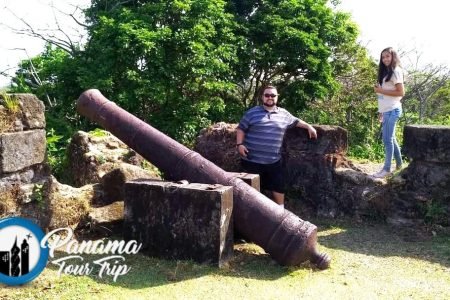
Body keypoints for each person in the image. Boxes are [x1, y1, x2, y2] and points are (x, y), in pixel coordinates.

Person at [236, 85, 317, 208]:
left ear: (277, 97)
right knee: (251, 190)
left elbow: (296, 121)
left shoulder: (284, 114)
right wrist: (239, 144)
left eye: (273, 95)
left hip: (273, 160)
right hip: (251, 159)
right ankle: (252, 213)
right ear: (262, 97)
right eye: (267, 95)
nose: (270, 97)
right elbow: (241, 129)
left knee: (278, 186)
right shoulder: (252, 113)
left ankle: (280, 212)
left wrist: (309, 126)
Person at [372, 47, 405, 178]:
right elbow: (382, 97)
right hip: (386, 110)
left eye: (388, 56)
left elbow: (401, 92)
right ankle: (399, 165)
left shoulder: (396, 71)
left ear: (393, 57)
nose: (385, 59)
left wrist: (380, 91)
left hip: (393, 109)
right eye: (383, 57)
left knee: (387, 139)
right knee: (392, 139)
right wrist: (381, 111)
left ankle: (386, 169)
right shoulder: (385, 73)